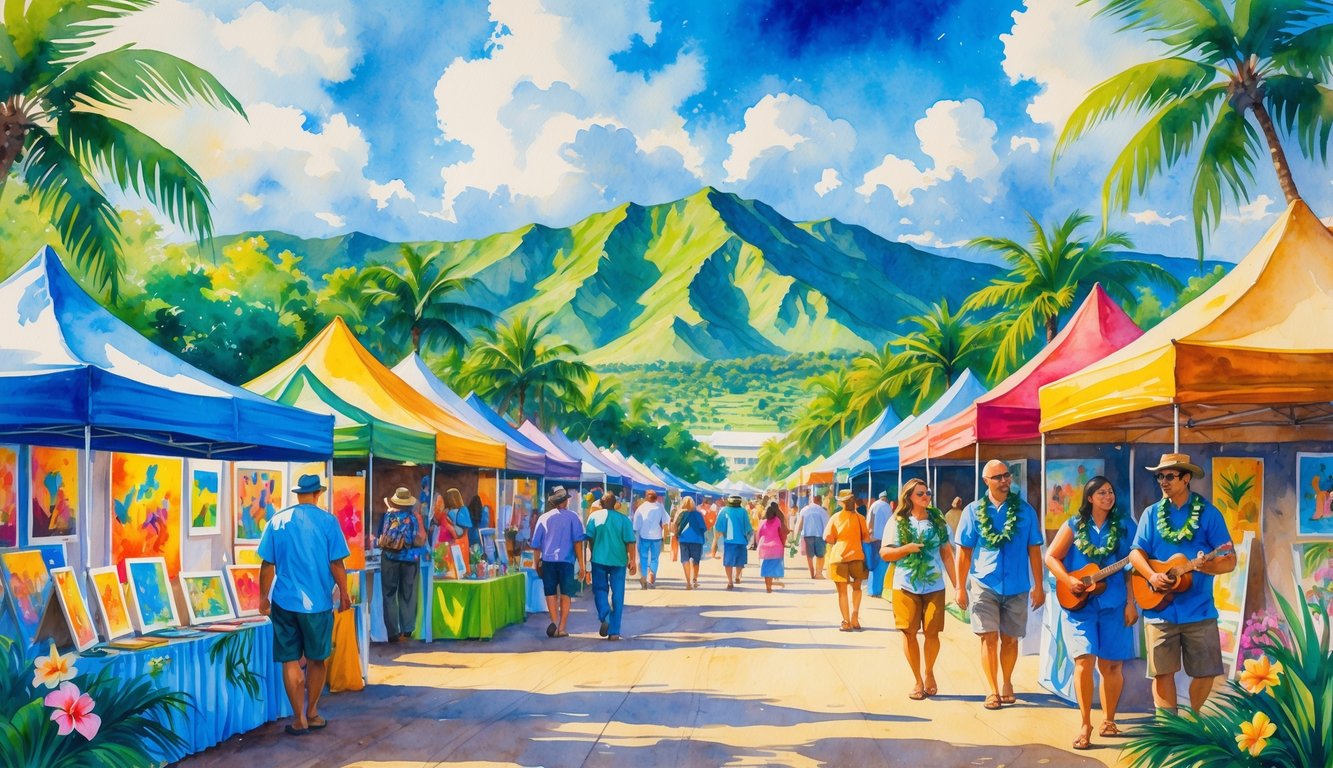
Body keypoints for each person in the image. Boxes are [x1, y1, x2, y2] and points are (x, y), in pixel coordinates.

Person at [1128, 453, 1235, 714]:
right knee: (1161, 673)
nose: (1163, 481)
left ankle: (1193, 721)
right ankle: (1169, 729)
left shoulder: (1209, 514)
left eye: (1170, 476)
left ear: (1186, 479)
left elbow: (1229, 559)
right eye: (1160, 476)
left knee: (1206, 672)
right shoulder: (1151, 514)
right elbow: (1135, 553)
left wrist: (1206, 565)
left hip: (1199, 609)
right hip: (1158, 609)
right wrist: (1152, 576)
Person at [1046, 475, 1137, 750]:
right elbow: (1051, 557)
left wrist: (1131, 603)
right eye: (1101, 493)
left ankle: (1108, 720)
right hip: (1078, 605)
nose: (1108, 497)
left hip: (1114, 603)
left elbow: (1133, 566)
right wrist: (1068, 580)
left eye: (1110, 492)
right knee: (1084, 661)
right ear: (1089, 498)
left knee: (1111, 665)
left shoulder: (1124, 526)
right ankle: (1085, 723)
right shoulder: (1074, 525)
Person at [257, 474, 350, 736]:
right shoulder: (328, 522)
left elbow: (267, 565)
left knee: (289, 660)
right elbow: (336, 563)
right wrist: (344, 593)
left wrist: (263, 598)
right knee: (317, 658)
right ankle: (313, 711)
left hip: (284, 602)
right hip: (318, 604)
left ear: (298, 493)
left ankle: (299, 718)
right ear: (318, 493)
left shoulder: (278, 520)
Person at [955, 460, 1045, 711]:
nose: (1005, 481)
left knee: (1011, 639)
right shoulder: (972, 512)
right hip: (984, 582)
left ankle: (1007, 681)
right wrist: (960, 587)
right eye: (998, 477)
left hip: (1017, 584)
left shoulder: (1026, 511)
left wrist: (1039, 585)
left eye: (1007, 475)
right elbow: (964, 552)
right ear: (986, 482)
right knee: (988, 638)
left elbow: (1034, 550)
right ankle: (992, 690)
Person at [880, 479, 956, 700]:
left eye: (928, 493)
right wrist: (906, 549)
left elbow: (946, 554)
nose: (926, 497)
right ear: (909, 497)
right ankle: (917, 680)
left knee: (932, 632)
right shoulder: (898, 521)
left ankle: (930, 672)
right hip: (905, 584)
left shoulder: (937, 521)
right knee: (909, 632)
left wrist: (958, 585)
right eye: (920, 494)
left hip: (934, 584)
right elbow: (884, 553)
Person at [530, 485, 587, 638]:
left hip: (548, 561)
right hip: (567, 562)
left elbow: (536, 546)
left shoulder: (544, 518)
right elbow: (578, 543)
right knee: (566, 594)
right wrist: (582, 564)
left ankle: (554, 622)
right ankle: (562, 627)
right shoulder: (573, 517)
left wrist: (536, 563)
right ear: (565, 502)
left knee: (550, 593)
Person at [584, 492, 637, 640]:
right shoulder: (624, 519)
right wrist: (632, 561)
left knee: (600, 589)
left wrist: (590, 556)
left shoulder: (594, 517)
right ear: (615, 504)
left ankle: (604, 615)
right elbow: (631, 542)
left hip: (598, 559)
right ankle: (614, 631)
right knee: (618, 594)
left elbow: (589, 539)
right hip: (619, 560)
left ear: (601, 504)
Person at [376, 486, 427, 642]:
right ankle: (407, 629)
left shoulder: (387, 516)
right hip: (409, 559)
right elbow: (418, 538)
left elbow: (380, 535)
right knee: (408, 594)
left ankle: (392, 632)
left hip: (390, 557)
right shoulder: (413, 517)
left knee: (389, 594)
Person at [824, 489, 871, 630]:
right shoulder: (860, 518)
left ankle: (846, 621)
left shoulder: (835, 517)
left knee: (842, 591)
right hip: (856, 555)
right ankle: (855, 615)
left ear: (841, 502)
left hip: (839, 557)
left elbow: (828, 537)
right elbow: (866, 538)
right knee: (857, 588)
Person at [632, 489, 670, 589]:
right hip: (657, 536)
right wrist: (665, 533)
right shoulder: (660, 506)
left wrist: (637, 533)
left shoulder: (641, 508)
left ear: (646, 497)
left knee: (643, 557)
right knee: (654, 558)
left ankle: (644, 576)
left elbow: (636, 525)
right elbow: (666, 520)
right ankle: (652, 574)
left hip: (644, 536)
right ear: (656, 497)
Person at [715, 494, 753, 589]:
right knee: (740, 562)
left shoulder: (724, 511)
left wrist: (715, 542)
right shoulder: (743, 511)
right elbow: (748, 527)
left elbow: (719, 527)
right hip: (741, 541)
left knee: (728, 562)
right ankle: (737, 577)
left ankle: (730, 581)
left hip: (729, 541)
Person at [673, 496, 707, 589]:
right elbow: (703, 528)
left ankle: (688, 582)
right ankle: (694, 579)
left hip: (684, 539)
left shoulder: (680, 513)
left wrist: (676, 535)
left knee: (685, 559)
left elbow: (675, 525)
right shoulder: (698, 514)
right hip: (697, 539)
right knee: (696, 561)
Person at [794, 494, 830, 579]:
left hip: (807, 535)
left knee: (809, 555)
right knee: (820, 555)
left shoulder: (804, 510)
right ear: (820, 501)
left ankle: (811, 572)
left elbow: (799, 524)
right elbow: (826, 524)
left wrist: (796, 537)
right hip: (820, 536)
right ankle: (818, 573)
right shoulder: (822, 511)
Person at [866, 489, 894, 597]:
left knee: (873, 565)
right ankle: (880, 590)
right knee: (882, 566)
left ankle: (872, 590)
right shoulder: (888, 508)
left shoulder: (874, 505)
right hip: (884, 540)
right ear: (886, 498)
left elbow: (869, 523)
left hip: (873, 539)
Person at [755, 501, 788, 593]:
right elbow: (781, 534)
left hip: (765, 549)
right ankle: (773, 583)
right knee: (774, 568)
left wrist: (759, 546)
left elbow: (758, 536)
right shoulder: (778, 521)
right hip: (777, 548)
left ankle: (768, 587)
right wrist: (783, 544)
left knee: (766, 569)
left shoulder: (762, 523)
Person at [435, 488, 471, 554]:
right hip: (464, 541)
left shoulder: (448, 512)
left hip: (451, 542)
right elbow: (467, 528)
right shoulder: (464, 510)